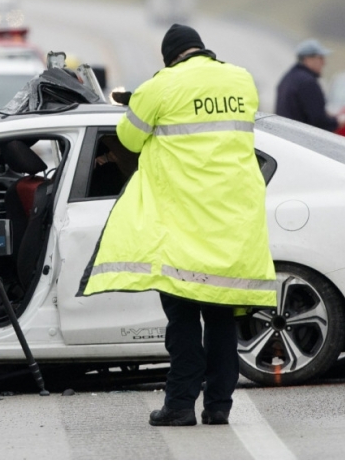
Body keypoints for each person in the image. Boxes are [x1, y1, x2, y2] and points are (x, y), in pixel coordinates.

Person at [78, 24, 276, 427]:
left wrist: (139, 105)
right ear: (201, 49)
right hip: (231, 221)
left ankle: (180, 405)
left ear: (169, 57)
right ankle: (219, 406)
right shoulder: (241, 79)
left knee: (183, 322)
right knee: (222, 320)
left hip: (183, 225)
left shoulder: (161, 86)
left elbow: (128, 139)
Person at [275, 38, 345, 130]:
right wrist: (337, 121)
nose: (324, 63)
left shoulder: (288, 77)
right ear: (307, 59)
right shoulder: (307, 83)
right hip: (300, 138)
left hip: (286, 134)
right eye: (320, 58)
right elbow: (318, 121)